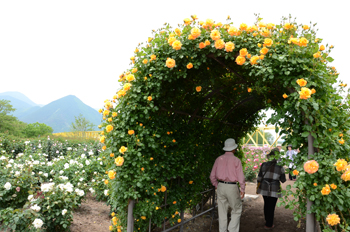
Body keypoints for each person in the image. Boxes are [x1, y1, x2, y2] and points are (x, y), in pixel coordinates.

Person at [210, 138, 245, 232]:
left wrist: (216, 184)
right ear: (233, 149)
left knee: (222, 211)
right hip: (232, 187)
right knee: (237, 209)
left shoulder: (218, 159)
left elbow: (212, 176)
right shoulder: (236, 160)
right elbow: (241, 177)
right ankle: (232, 229)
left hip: (221, 186)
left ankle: (223, 230)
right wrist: (242, 189)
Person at [256, 148, 286, 229]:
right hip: (274, 188)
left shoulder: (264, 165)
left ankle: (267, 220)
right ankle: (269, 224)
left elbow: (259, 178)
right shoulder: (280, 167)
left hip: (264, 187)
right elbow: (283, 180)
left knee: (266, 204)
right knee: (271, 206)